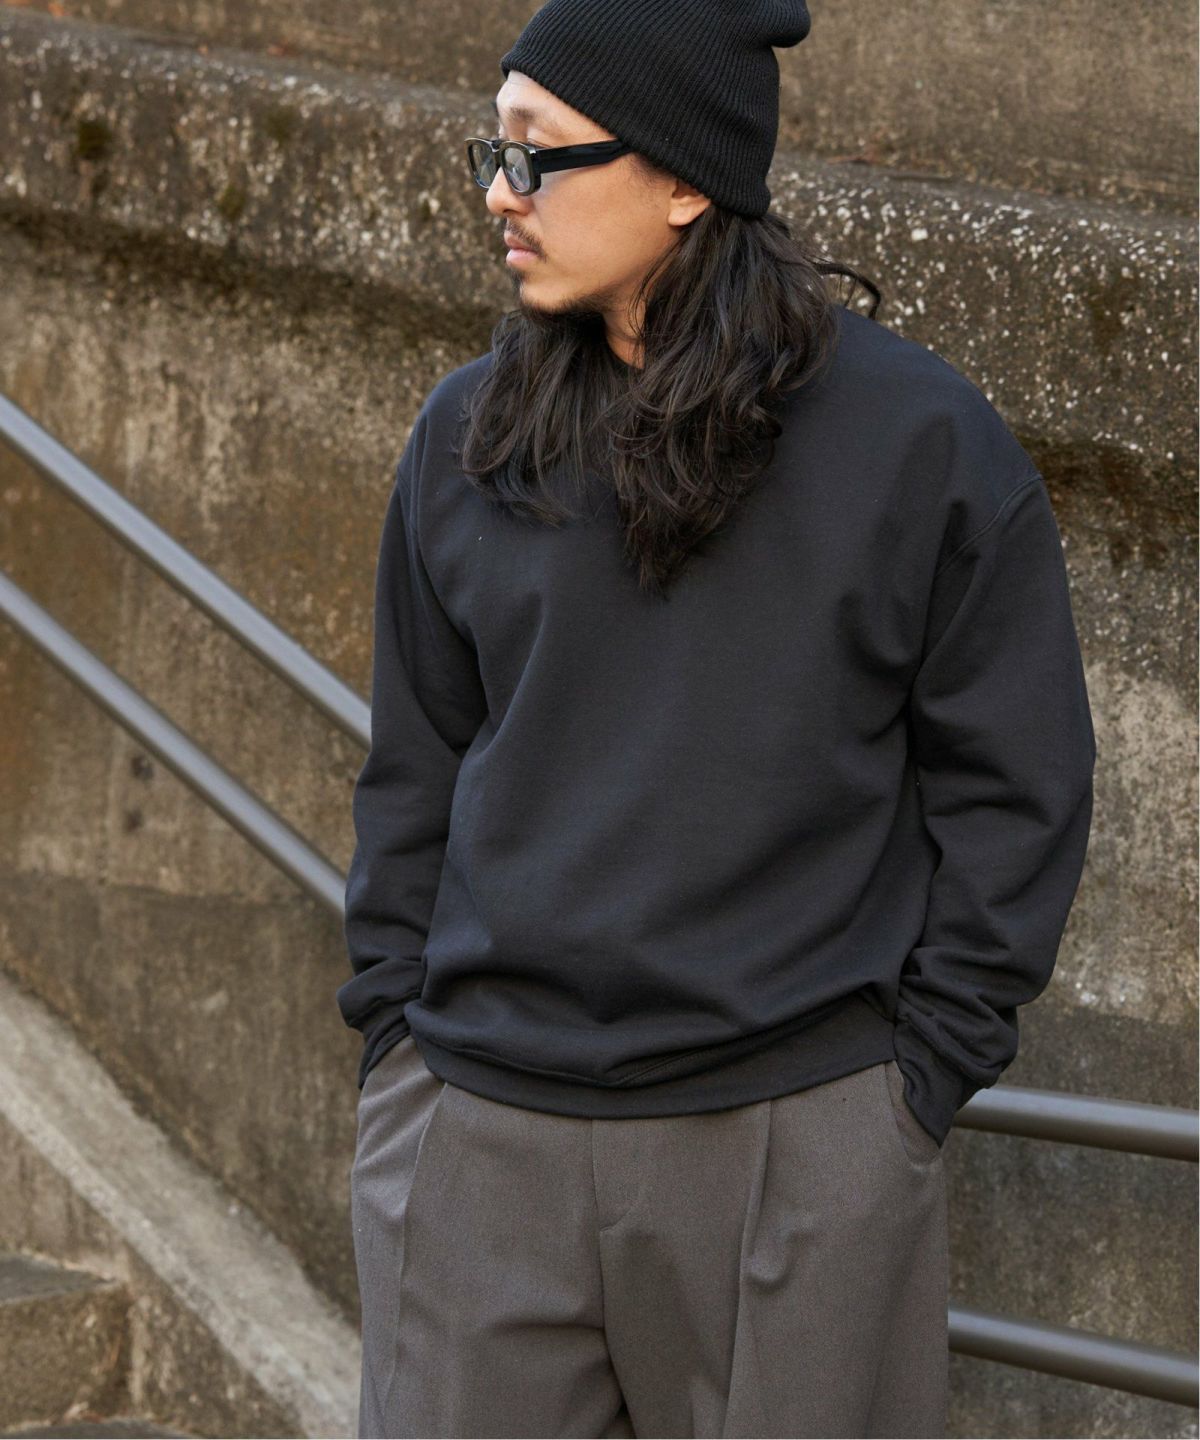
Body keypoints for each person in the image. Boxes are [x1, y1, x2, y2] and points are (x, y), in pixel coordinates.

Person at [337, 2, 1097, 1435]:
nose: (501, 193)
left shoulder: (920, 445)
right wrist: (399, 1041)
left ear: (685, 178)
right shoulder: (466, 437)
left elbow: (1020, 787)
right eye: (495, 151)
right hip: (481, 1135)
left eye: (540, 155)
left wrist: (906, 1096)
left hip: (793, 1148)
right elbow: (415, 764)